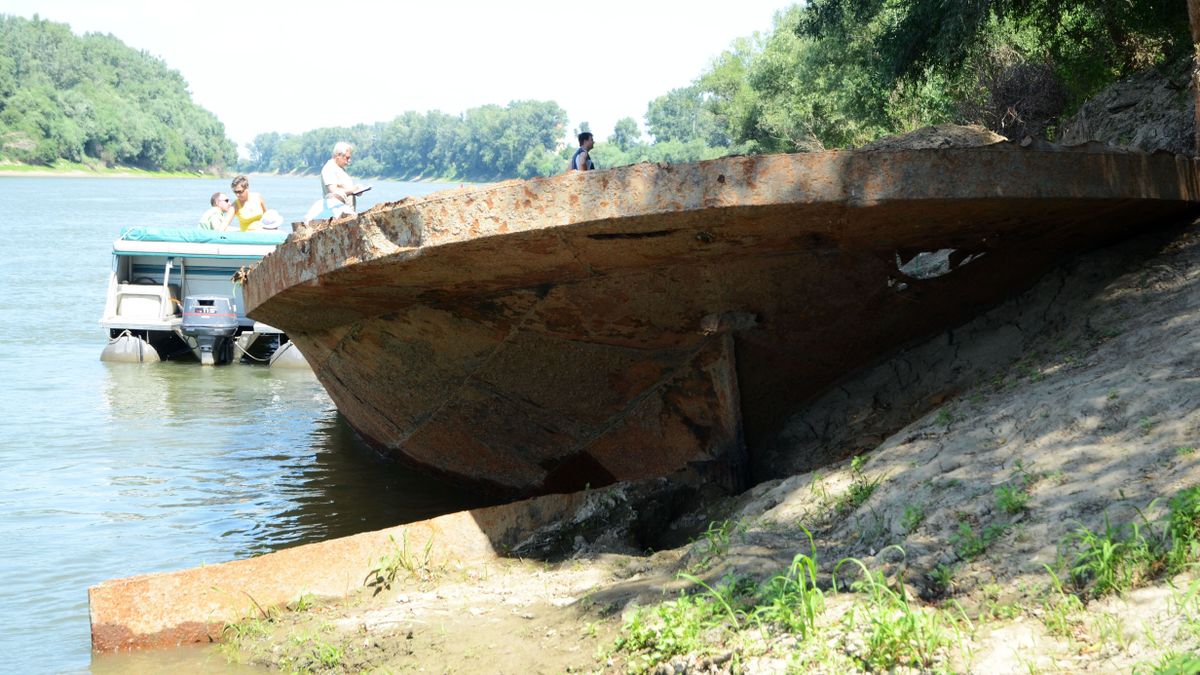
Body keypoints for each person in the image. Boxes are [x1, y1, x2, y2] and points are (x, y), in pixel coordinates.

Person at [321, 141, 368, 213]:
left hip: (347, 214)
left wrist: (357, 191)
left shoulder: (340, 169)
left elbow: (345, 189)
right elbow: (334, 192)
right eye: (347, 158)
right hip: (336, 215)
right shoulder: (329, 169)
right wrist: (352, 190)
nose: (348, 161)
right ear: (338, 155)